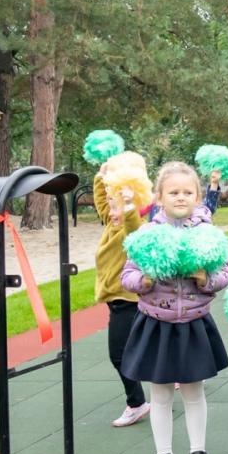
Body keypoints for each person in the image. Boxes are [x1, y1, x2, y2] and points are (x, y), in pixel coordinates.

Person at [119, 162, 228, 454]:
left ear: (198, 197)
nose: (180, 197)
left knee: (195, 392)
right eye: (173, 192)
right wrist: (145, 279)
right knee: (161, 393)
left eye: (187, 192)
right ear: (159, 196)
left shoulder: (208, 235)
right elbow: (127, 276)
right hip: (157, 323)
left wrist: (205, 279)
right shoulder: (146, 236)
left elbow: (224, 273)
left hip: (194, 322)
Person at [93, 151, 150, 428]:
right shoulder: (111, 222)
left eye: (119, 207)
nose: (112, 213)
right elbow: (103, 204)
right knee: (142, 345)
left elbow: (132, 224)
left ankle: (137, 402)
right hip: (115, 298)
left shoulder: (134, 226)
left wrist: (126, 205)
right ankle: (175, 375)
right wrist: (102, 177)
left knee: (120, 354)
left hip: (128, 299)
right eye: (112, 207)